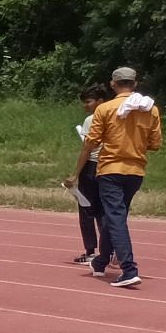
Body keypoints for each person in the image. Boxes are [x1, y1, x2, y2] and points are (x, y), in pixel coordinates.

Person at [64, 66, 163, 288]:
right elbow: (155, 144)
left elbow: (92, 142)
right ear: (135, 84)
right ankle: (100, 262)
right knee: (113, 216)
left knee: (115, 218)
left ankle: (129, 268)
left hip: (110, 169)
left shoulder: (105, 109)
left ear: (113, 84)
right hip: (136, 170)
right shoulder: (151, 110)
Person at [71, 83, 108, 265]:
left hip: (92, 166)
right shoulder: (116, 116)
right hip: (109, 166)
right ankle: (108, 249)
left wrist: (75, 174)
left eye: (88, 101)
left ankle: (91, 250)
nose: (85, 106)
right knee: (103, 210)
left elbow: (87, 149)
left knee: (86, 209)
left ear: (100, 101)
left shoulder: (91, 119)